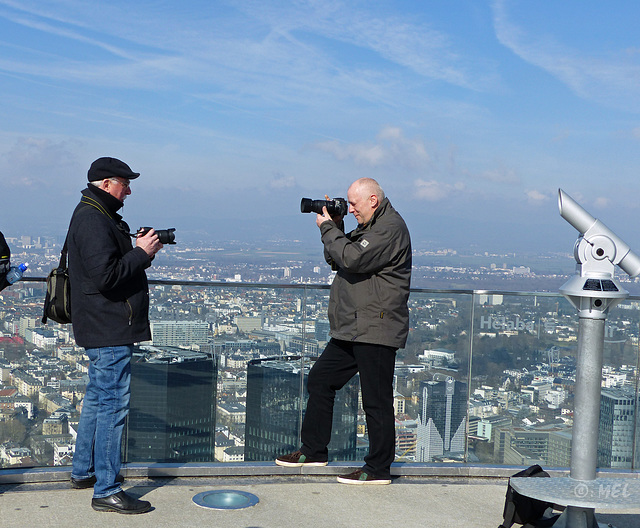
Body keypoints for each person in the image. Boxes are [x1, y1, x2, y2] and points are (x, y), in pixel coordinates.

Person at [276, 177, 412, 485]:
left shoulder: (388, 228)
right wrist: (334, 226)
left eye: (353, 204)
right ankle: (313, 451)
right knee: (321, 380)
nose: (350, 210)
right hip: (354, 327)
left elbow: (351, 256)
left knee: (376, 401)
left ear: (373, 201)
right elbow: (336, 257)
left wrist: (328, 228)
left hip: (376, 325)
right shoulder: (370, 226)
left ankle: (378, 469)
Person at [68, 157, 163, 514]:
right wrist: (141, 252)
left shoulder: (96, 214)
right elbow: (107, 277)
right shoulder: (93, 218)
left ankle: (84, 471)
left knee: (97, 399)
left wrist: (140, 252)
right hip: (108, 325)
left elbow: (109, 269)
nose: (129, 189)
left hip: (102, 324)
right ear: (107, 184)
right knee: (112, 405)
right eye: (124, 182)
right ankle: (107, 489)